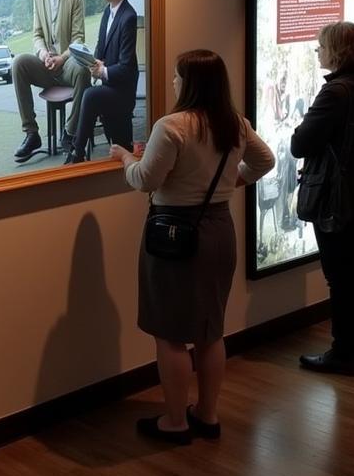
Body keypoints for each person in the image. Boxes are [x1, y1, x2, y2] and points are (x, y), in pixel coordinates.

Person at [112, 50, 274, 443]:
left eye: (175, 76)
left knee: (169, 333)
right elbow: (264, 160)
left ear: (188, 83)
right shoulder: (233, 123)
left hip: (173, 234)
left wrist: (123, 159)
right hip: (219, 228)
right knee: (210, 329)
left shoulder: (171, 127)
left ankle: (174, 421)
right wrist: (228, 184)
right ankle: (208, 414)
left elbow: (146, 180)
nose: (171, 82)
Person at [291, 21, 354, 375]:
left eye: (320, 46)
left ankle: (342, 353)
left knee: (340, 277)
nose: (317, 52)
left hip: (342, 198)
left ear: (336, 52)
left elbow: (299, 144)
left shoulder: (336, 93)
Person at [12, 0, 91, 162]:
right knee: (18, 64)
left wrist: (62, 58)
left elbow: (78, 38)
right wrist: (43, 52)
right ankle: (32, 132)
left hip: (67, 64)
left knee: (83, 70)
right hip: (45, 64)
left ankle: (70, 133)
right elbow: (36, 33)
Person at [65, 0, 139, 163]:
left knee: (89, 95)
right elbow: (101, 49)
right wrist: (90, 60)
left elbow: (125, 68)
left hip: (122, 91)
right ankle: (77, 152)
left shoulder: (128, 17)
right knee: (90, 94)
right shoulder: (108, 11)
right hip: (109, 85)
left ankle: (77, 153)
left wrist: (102, 71)